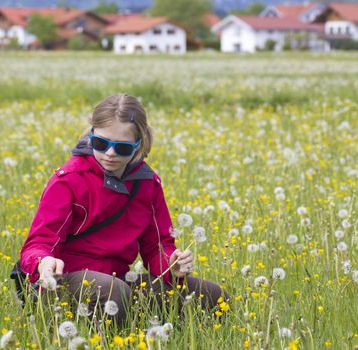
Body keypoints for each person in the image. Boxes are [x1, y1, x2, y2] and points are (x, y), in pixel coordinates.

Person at [18, 93, 228, 324]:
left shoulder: (147, 184)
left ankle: (142, 329)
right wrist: (43, 262)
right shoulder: (68, 180)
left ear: (139, 144)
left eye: (122, 148)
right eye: (100, 143)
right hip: (62, 285)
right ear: (91, 135)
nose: (110, 153)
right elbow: (38, 244)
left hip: (117, 283)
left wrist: (171, 264)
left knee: (214, 297)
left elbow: (156, 247)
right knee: (115, 294)